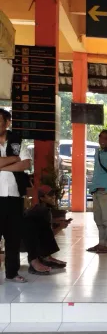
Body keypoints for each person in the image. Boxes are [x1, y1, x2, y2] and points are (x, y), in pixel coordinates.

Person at [0, 109, 32, 283]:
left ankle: (12, 272)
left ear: (7, 122)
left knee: (13, 236)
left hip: (14, 196)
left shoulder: (18, 142)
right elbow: (18, 161)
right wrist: (14, 159)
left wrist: (3, 164)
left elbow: (26, 164)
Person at [24, 185, 69, 275]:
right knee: (45, 228)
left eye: (54, 194)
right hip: (24, 242)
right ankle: (45, 258)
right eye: (50, 195)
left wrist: (55, 221)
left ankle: (46, 257)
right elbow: (46, 236)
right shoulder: (43, 211)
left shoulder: (39, 209)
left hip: (25, 240)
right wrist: (60, 227)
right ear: (42, 198)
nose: (54, 197)